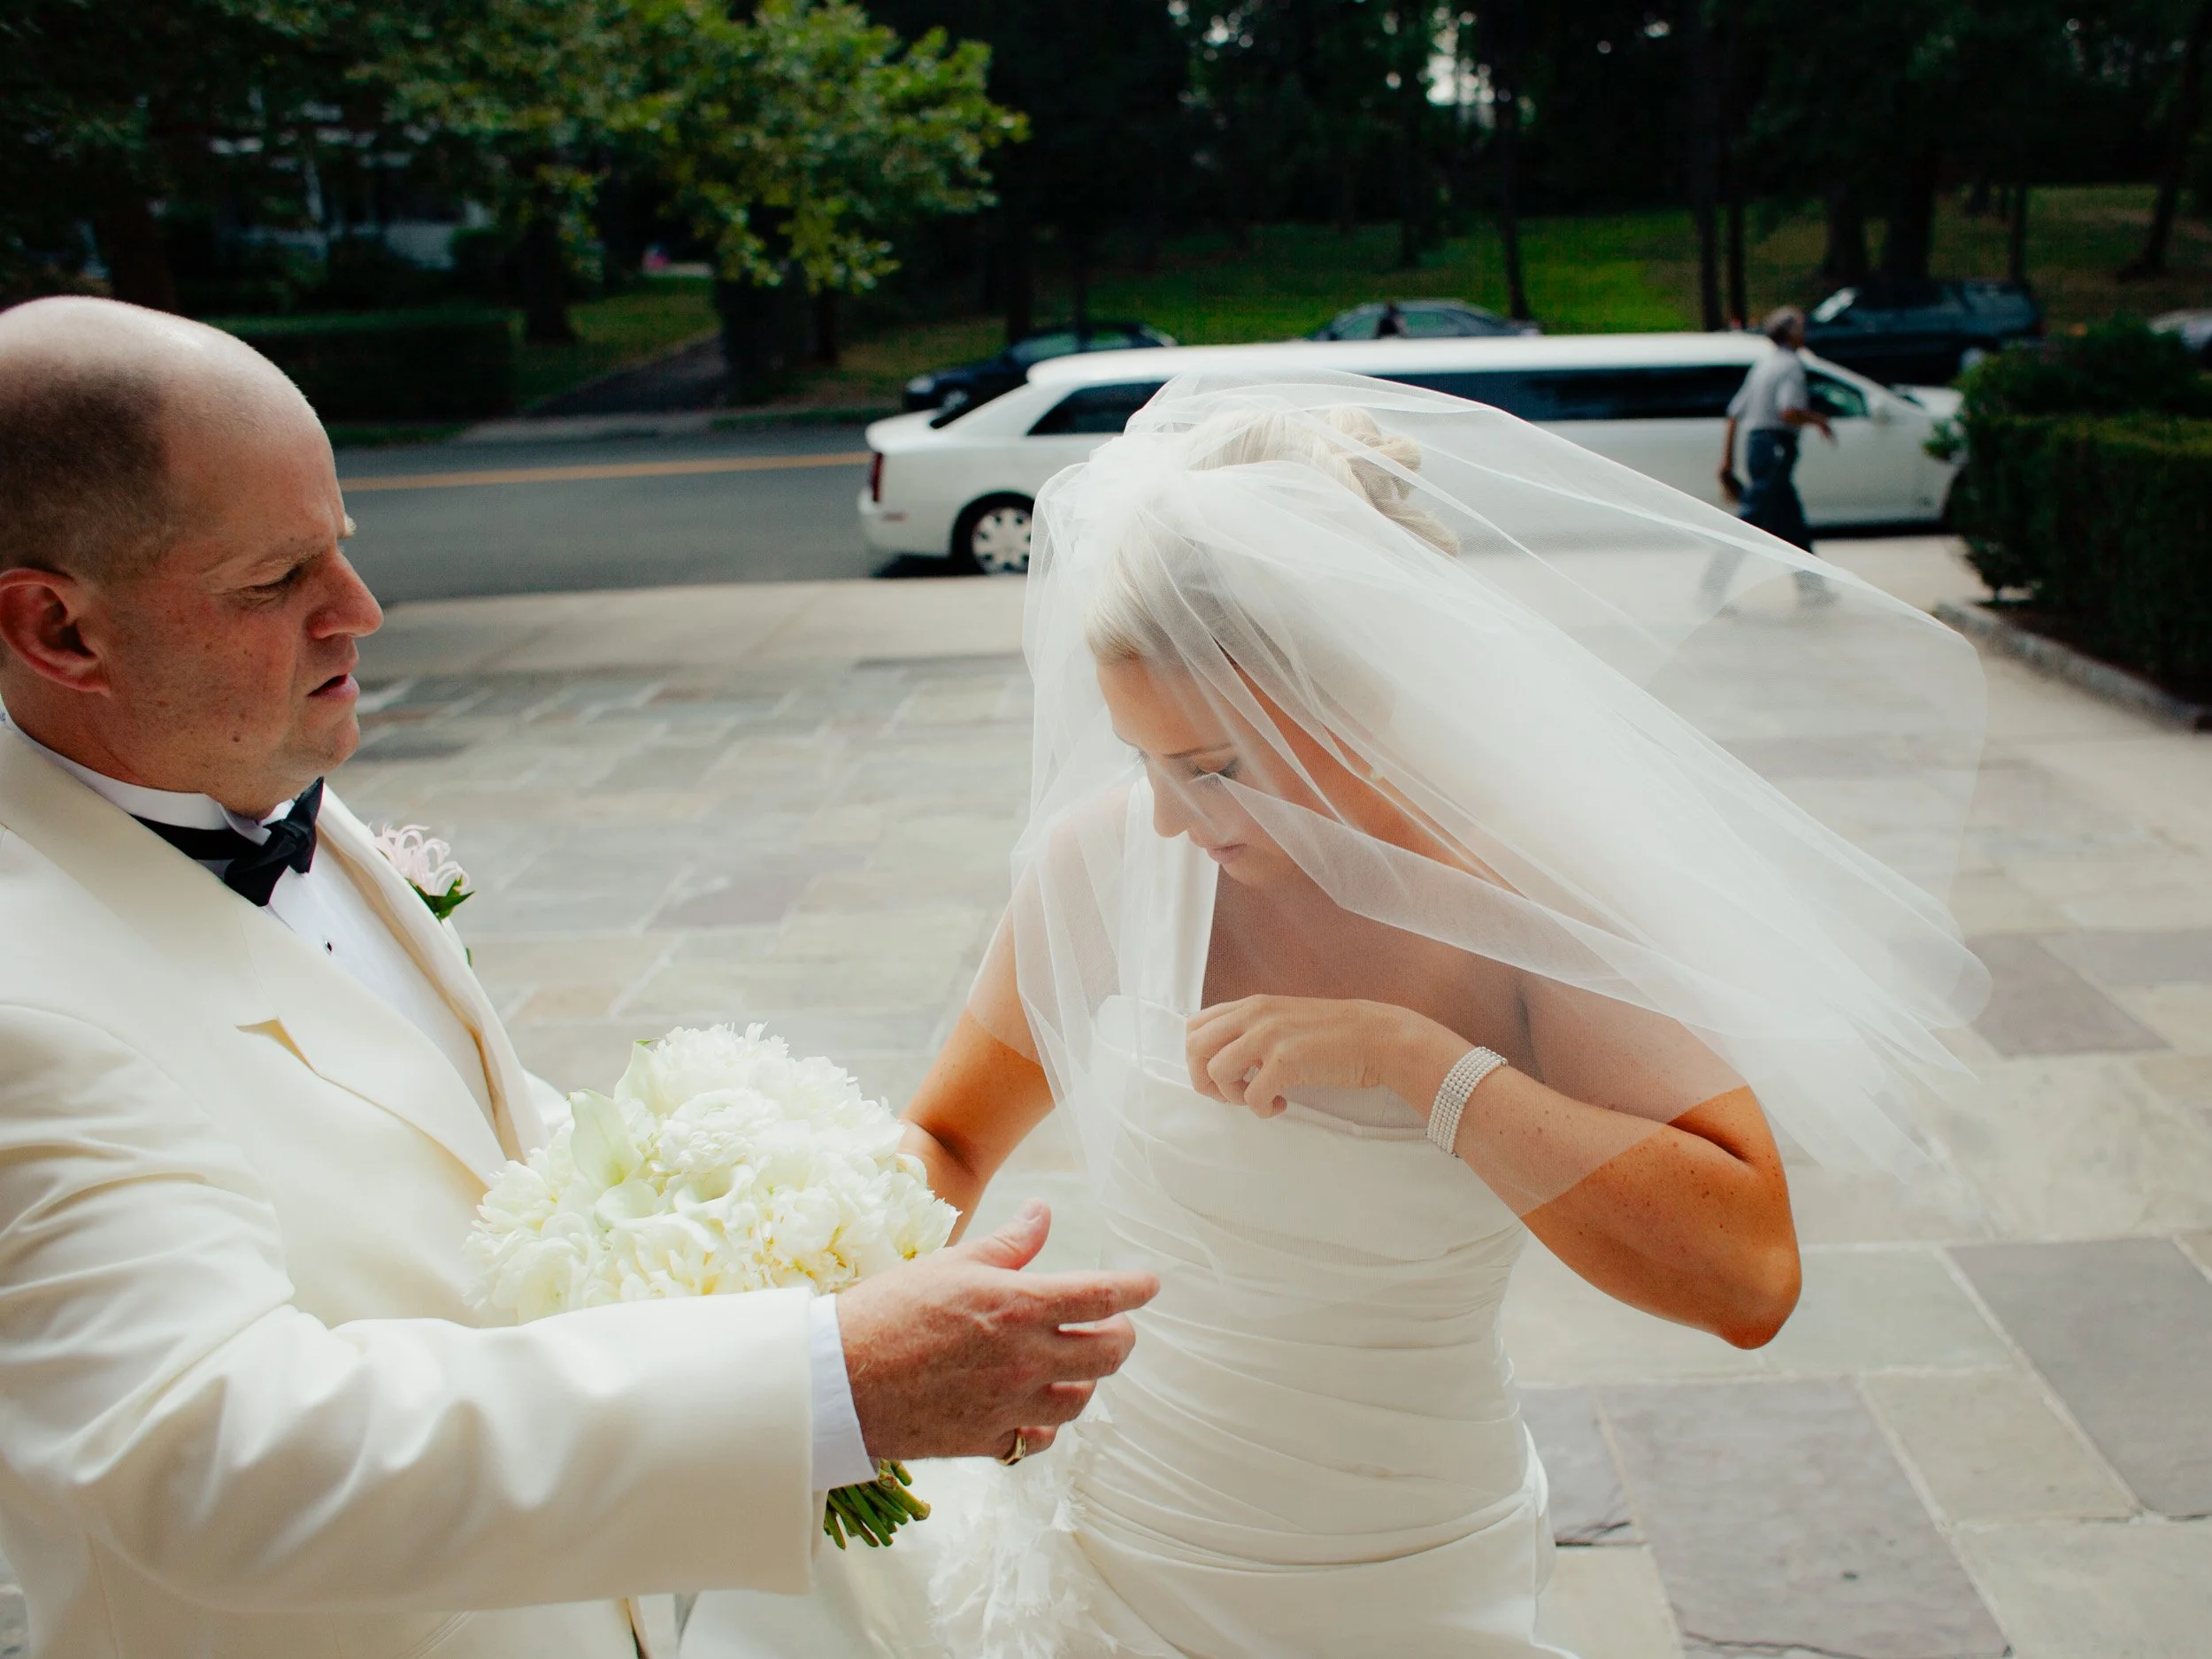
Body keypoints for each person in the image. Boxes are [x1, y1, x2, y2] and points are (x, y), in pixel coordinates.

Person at [686, 375, 1990, 1657]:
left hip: (1409, 1572)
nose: (1164, 816)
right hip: (1116, 1552)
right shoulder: (1102, 861)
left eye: (1215, 768)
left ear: (1363, 687)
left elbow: (1751, 1274)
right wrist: (816, 1310)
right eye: (1142, 759)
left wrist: (1428, 1068)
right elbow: (954, 1139)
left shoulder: (1522, 890)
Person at [0, 296, 1156, 1659]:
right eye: (275, 582)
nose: (359, 612)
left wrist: (755, 1219)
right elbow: (212, 1450)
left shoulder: (242, 773)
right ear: (59, 630)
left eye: (343, 549)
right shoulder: (30, 989)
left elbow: (439, 1140)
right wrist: (827, 1381)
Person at [1709, 304, 1834, 606]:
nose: (1804, 332)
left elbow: (1735, 413)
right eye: (1800, 327)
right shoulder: (1791, 365)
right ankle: (1713, 588)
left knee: (1789, 519)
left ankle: (1811, 586)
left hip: (1756, 444)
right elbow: (1788, 411)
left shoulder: (1764, 364)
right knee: (1752, 518)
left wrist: (1727, 459)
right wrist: (1818, 419)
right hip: (1775, 444)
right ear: (1790, 333)